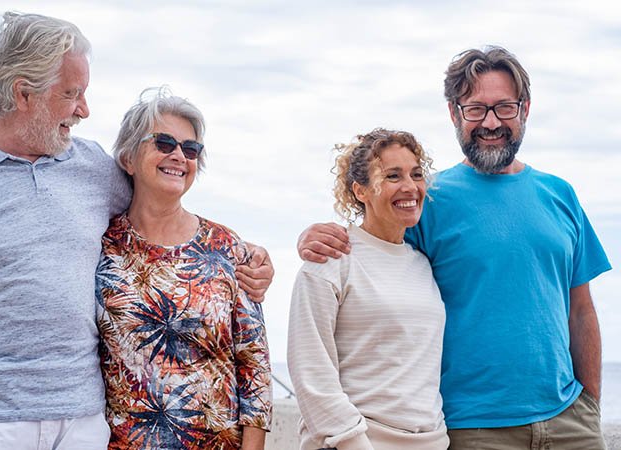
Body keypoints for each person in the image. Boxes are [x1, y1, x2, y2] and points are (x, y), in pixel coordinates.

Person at [0, 12, 272, 450]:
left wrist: (246, 254)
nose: (84, 110)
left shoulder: (94, 169)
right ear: (23, 93)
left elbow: (161, 204)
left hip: (81, 421)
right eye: (72, 94)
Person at [297, 46, 611, 449]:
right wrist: (312, 236)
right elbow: (377, 250)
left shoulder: (560, 194)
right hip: (472, 428)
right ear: (454, 113)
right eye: (476, 109)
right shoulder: (429, 199)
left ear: (525, 109)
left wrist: (590, 404)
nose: (491, 122)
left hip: (570, 420)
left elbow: (581, 309)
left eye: (504, 107)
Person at [95, 87, 272, 450]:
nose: (178, 155)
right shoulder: (101, 247)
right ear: (128, 159)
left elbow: (254, 365)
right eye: (163, 143)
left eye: (190, 149)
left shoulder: (225, 247)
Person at [288, 128, 447, 450]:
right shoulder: (330, 261)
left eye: (416, 174)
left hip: (431, 441)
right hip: (357, 443)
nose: (410, 186)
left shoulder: (422, 264)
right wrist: (354, 443)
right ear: (360, 191)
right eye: (392, 176)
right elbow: (311, 371)